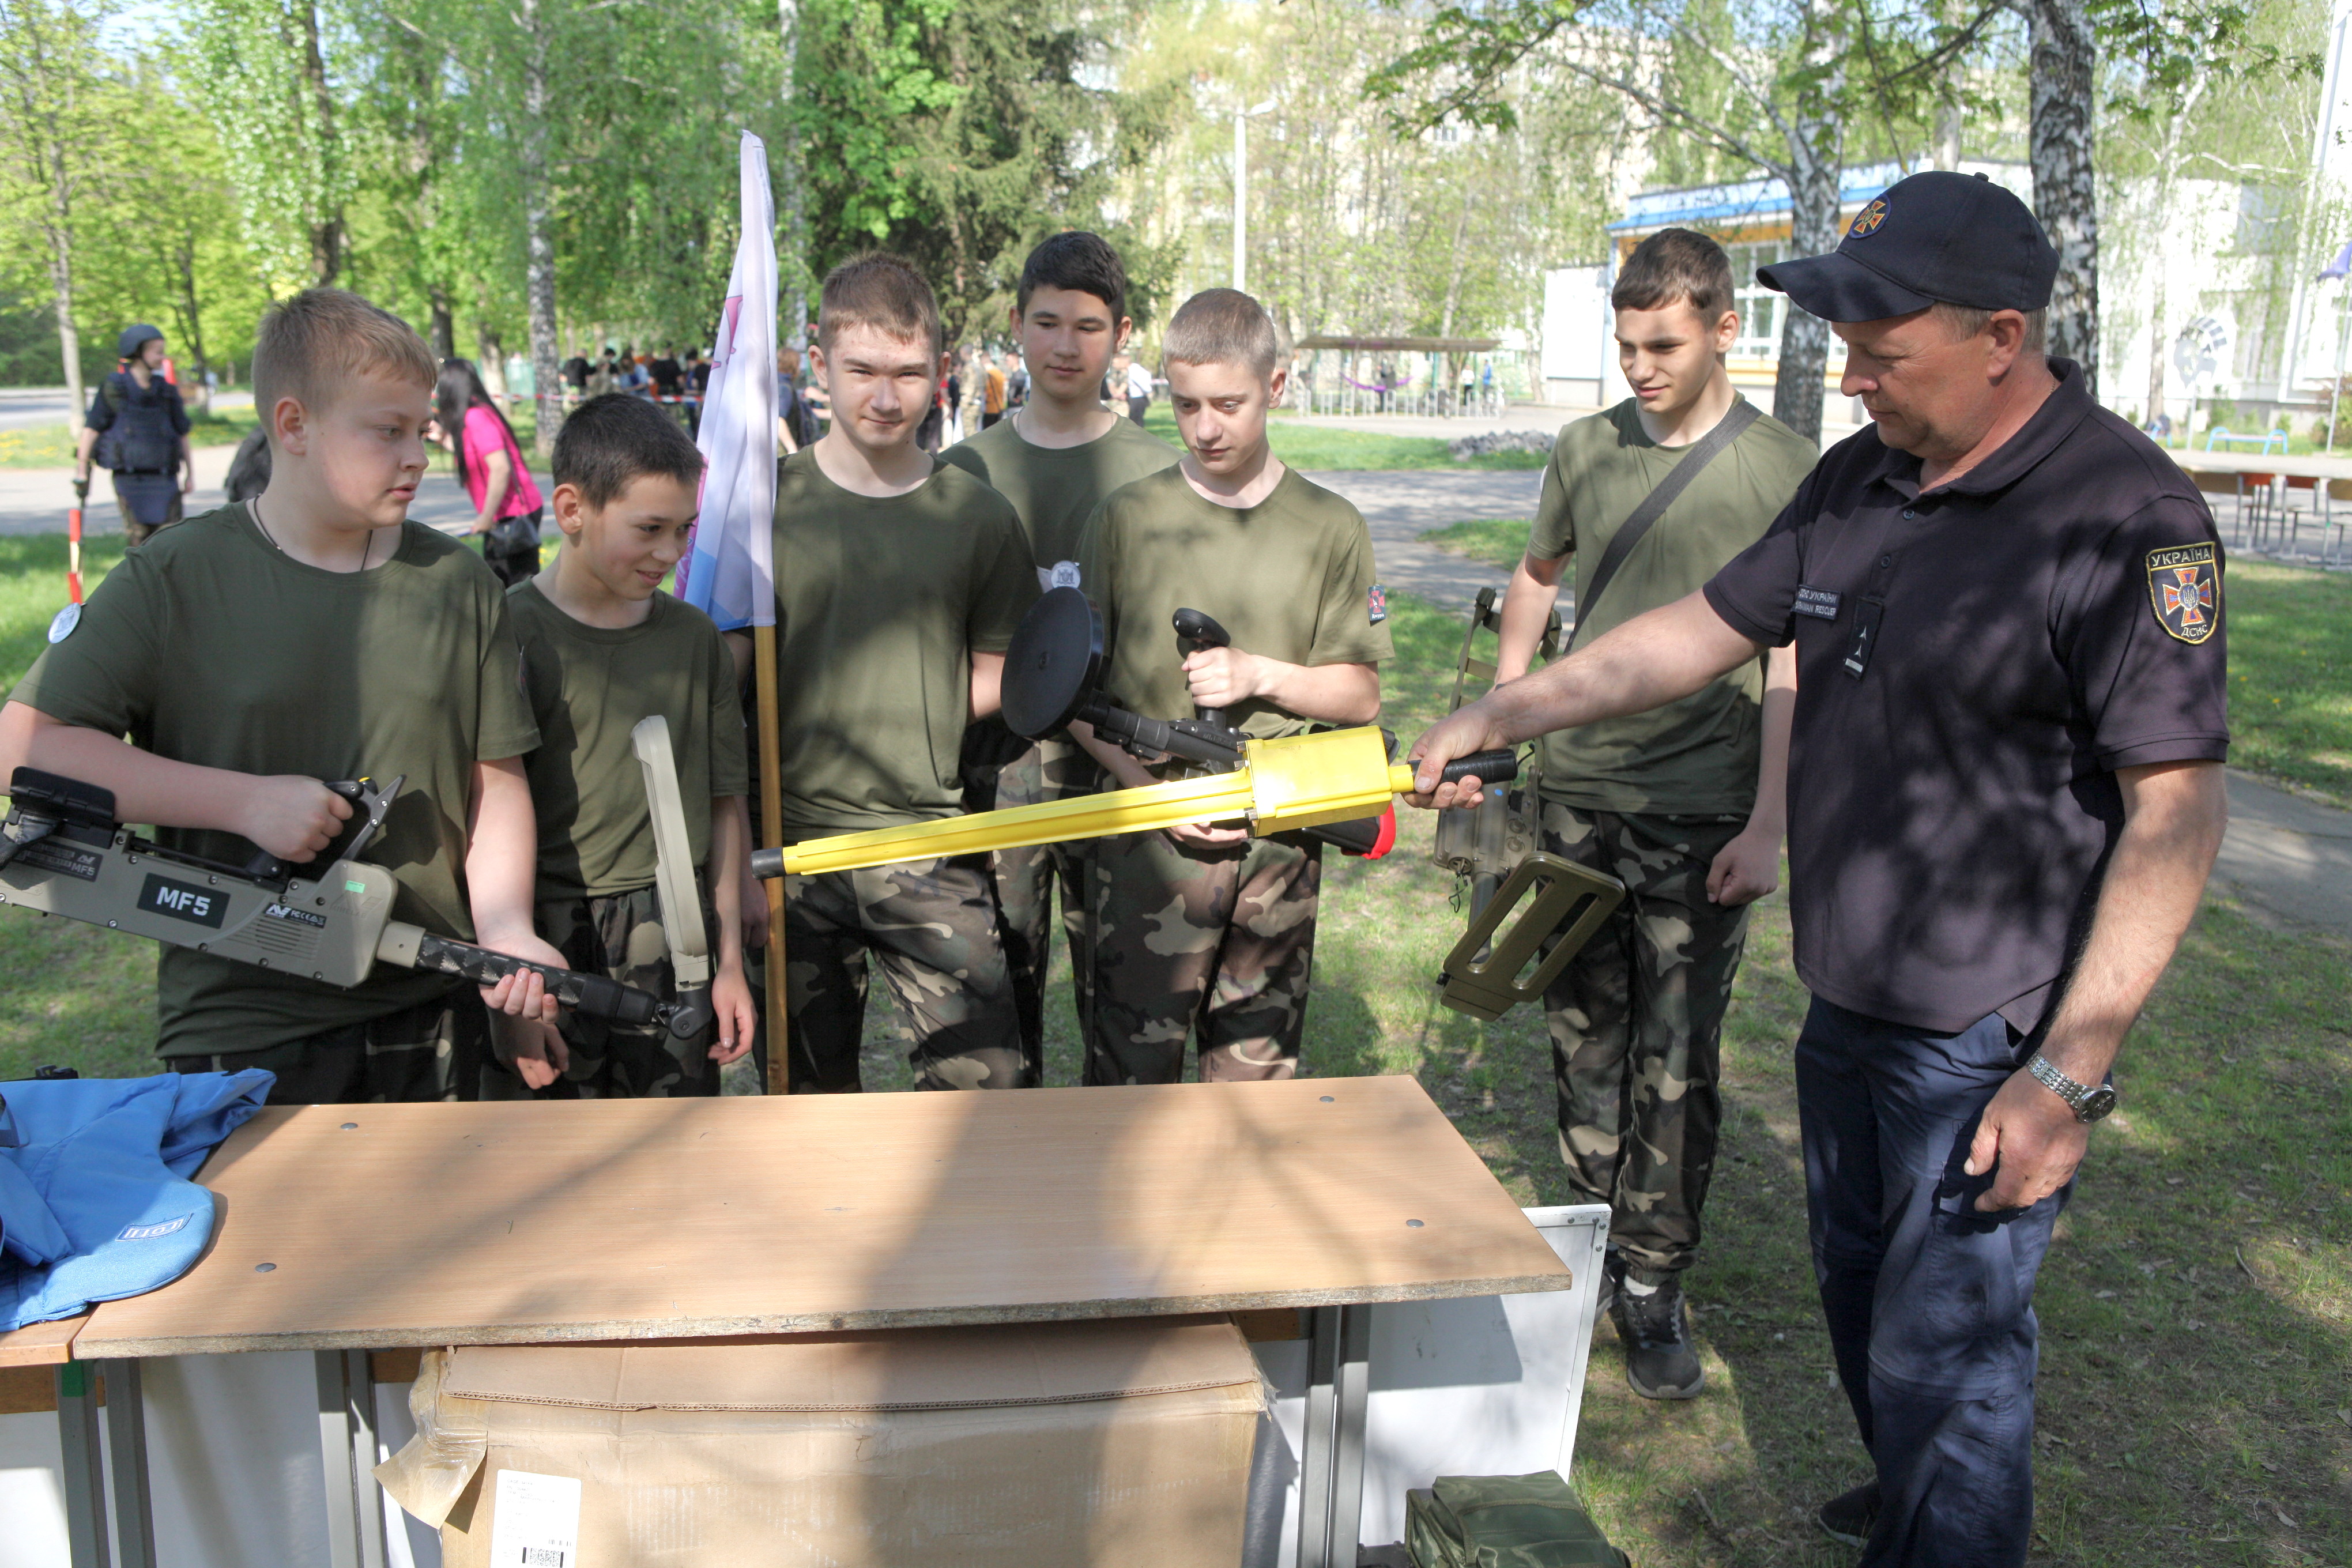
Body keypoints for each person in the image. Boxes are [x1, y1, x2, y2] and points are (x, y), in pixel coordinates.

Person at [1405, 171, 2229, 1567]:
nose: (1851, 381)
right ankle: (1914, 1488)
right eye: (1844, 349)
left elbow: (2175, 810)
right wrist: (1504, 709)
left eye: (1882, 352)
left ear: (2001, 337)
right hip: (1847, 1000)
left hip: (1992, 1033)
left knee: (1948, 1352)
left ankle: (1942, 1519)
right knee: (1858, 1291)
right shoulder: (1860, 477)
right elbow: (1694, 630)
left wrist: (2069, 1072)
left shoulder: (2122, 515)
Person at [0, 287, 567, 1103]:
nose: (418, 457)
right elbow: (25, 745)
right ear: (294, 425)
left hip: (436, 999)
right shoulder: (175, 576)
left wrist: (506, 933)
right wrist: (244, 802)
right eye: (388, 431)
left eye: (422, 430)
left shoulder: (460, 583)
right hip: (243, 1015)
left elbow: (495, 781)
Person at [1493, 228, 1817, 1401]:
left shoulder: (1788, 468)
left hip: (1702, 813)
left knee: (1677, 1063)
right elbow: (1538, 574)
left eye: (1664, 345)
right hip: (1576, 799)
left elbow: (1794, 656)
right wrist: (1505, 714)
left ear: (1726, 329)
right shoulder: (1586, 446)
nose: (1640, 367)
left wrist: (1769, 820)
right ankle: (1592, 1243)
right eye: (1626, 345)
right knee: (1583, 1038)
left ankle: (1652, 1280)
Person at [1072, 289, 1390, 1084]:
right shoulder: (1125, 519)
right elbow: (1072, 699)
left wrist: (1258, 674)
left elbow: (1360, 696)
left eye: (1227, 404)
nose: (1205, 428)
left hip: (1279, 836)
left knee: (1257, 1087)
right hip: (1149, 841)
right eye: (1186, 405)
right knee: (1131, 1086)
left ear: (1274, 387)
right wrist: (1150, 794)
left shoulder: (1331, 525)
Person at [754, 252, 1036, 1092]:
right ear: (820, 364)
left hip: (926, 837)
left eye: (909, 374)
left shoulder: (977, 515)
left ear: (940, 370)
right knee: (804, 1104)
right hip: (789, 847)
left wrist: (914, 707)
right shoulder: (761, 505)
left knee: (989, 1086)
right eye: (862, 371)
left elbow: (1005, 672)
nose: (885, 397)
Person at [940, 231, 1182, 1079]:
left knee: (1127, 1005)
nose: (1066, 346)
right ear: (1017, 326)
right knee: (1001, 1001)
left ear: (1121, 334)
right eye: (1046, 323)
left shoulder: (1161, 472)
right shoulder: (964, 471)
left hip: (1120, 762)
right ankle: (1014, 1161)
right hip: (1000, 767)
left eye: (1087, 326)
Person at [489, 394, 758, 1099]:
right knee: (552, 1139)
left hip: (675, 936)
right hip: (545, 937)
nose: (671, 553)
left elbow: (725, 800)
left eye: (684, 529)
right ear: (572, 509)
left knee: (678, 1139)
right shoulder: (505, 632)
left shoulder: (694, 640)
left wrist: (730, 961)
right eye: (649, 528)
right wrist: (509, 992)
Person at [73, 325, 193, 546]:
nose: (162, 357)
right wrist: (81, 470)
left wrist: (190, 474)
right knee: (138, 540)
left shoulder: (166, 392)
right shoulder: (114, 389)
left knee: (171, 541)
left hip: (165, 478)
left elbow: (182, 434)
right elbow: (92, 429)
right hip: (129, 479)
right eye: (157, 352)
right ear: (138, 353)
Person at [432, 358, 546, 588]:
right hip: (505, 515)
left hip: (514, 515)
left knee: (513, 588)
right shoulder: (476, 414)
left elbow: (500, 468)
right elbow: (473, 455)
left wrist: (486, 516)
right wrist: (442, 438)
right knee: (501, 584)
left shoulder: (477, 417)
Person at [774, 345, 806, 457]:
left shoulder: (777, 382)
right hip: (784, 451)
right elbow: (779, 419)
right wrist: (792, 448)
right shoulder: (784, 387)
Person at [1122, 350, 1154, 425]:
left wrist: (1148, 391)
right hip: (1135, 398)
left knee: (1136, 421)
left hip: (1137, 398)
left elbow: (1143, 384)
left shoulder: (1133, 370)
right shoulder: (1133, 368)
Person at [982, 350, 1008, 429]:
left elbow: (987, 392)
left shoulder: (988, 374)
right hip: (1000, 406)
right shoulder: (1000, 373)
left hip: (990, 408)